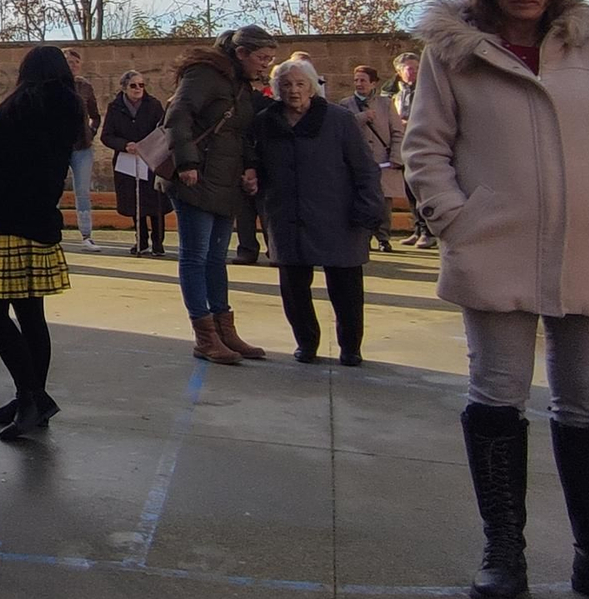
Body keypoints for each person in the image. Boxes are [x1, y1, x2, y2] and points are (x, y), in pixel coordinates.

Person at [404, 0, 589, 599]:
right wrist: (456, 220)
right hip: (495, 247)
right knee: (497, 393)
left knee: (587, 399)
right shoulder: (452, 58)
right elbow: (426, 146)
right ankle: (504, 549)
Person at [0, 45, 82, 442]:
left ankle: (32, 396)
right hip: (39, 217)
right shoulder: (70, 106)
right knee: (31, 312)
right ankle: (31, 398)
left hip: (8, 217)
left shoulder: (27, 103)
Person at [251, 58, 384, 366]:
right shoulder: (265, 121)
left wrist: (368, 210)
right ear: (276, 90)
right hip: (287, 214)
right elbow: (253, 158)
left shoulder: (339, 119)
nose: (293, 91)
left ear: (312, 87)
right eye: (286, 85)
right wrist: (251, 174)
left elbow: (365, 169)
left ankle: (350, 347)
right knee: (294, 288)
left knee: (346, 287)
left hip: (338, 215)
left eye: (300, 84)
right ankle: (306, 343)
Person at [166, 25, 278, 365]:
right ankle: (205, 336)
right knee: (196, 256)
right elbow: (177, 116)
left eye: (270, 59)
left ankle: (224, 329)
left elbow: (240, 132)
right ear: (241, 53)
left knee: (216, 258)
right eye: (262, 58)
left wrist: (249, 167)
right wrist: (186, 162)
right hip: (196, 179)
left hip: (225, 181)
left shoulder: (240, 85)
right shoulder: (205, 75)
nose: (266, 66)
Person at [102, 71, 169, 256]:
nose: (138, 89)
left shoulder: (154, 105)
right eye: (133, 85)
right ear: (124, 88)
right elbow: (107, 135)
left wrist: (146, 146)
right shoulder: (114, 108)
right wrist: (125, 145)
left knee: (156, 202)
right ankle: (141, 241)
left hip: (151, 158)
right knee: (134, 202)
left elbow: (163, 130)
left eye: (141, 85)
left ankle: (158, 242)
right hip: (127, 161)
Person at [342, 64, 399, 253]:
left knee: (383, 202)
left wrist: (396, 156)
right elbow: (342, 130)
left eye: (363, 80)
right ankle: (363, 238)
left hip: (382, 160)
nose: (359, 84)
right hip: (357, 160)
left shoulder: (386, 104)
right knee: (360, 199)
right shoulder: (345, 104)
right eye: (356, 80)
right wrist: (360, 118)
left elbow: (397, 132)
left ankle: (383, 237)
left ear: (373, 83)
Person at [391, 52, 435, 249]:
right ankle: (417, 229)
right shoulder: (396, 93)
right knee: (409, 190)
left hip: (424, 145)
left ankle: (429, 232)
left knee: (423, 190)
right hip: (403, 145)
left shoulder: (428, 90)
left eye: (417, 68)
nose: (414, 72)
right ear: (399, 72)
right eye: (410, 68)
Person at [62, 49, 103, 251]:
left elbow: (96, 115)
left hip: (82, 146)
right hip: (59, 145)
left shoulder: (85, 86)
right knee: (54, 189)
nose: (72, 65)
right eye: (69, 61)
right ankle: (52, 232)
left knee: (83, 191)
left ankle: (86, 235)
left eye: (76, 61)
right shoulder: (54, 85)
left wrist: (91, 131)